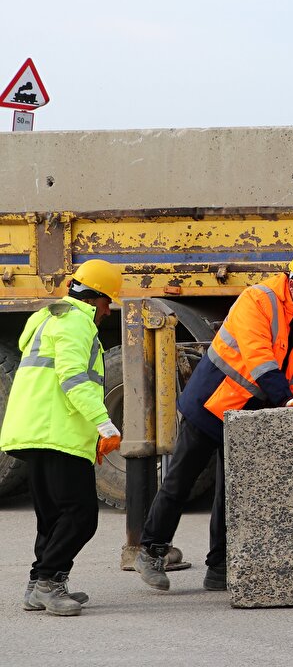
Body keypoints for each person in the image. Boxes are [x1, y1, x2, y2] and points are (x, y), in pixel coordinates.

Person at [133, 246, 293, 593]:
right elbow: (260, 362)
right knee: (181, 481)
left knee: (232, 492)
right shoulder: (257, 301)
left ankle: (220, 568)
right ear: (292, 282)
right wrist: (288, 400)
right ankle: (151, 551)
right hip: (211, 403)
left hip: (247, 414)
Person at [0, 259, 124, 617]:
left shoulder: (47, 318)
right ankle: (47, 584)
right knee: (82, 515)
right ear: (98, 298)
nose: (108, 311)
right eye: (108, 303)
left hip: (33, 429)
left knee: (53, 515)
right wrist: (104, 422)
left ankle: (39, 585)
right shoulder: (76, 323)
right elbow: (73, 379)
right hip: (57, 432)